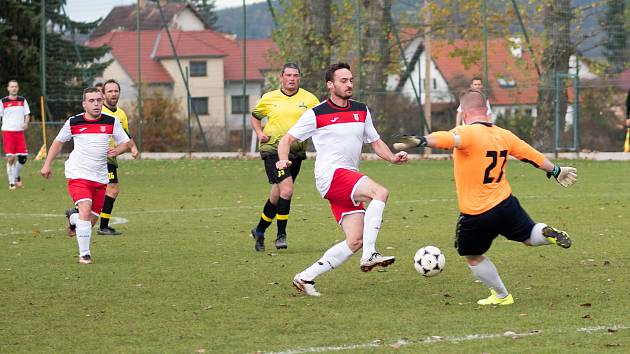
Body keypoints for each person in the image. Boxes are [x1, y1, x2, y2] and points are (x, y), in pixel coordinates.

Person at [394, 90, 577, 305]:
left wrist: (422, 140)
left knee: (472, 255)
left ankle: (501, 295)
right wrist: (556, 170)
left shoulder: (468, 132)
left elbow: (447, 138)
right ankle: (547, 233)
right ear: (486, 111)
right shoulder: (504, 134)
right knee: (528, 235)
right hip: (506, 204)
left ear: (463, 113)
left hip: (477, 213)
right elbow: (531, 155)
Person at [276, 62, 408, 296]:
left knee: (355, 239)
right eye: (343, 81)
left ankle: (305, 277)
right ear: (330, 85)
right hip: (331, 175)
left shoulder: (361, 110)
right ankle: (371, 254)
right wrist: (283, 160)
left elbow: (375, 141)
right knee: (380, 192)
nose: (349, 84)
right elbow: (286, 140)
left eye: (350, 80)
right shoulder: (317, 113)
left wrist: (392, 158)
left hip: (347, 178)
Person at [41, 87, 130, 264]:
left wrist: (117, 150)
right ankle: (85, 254)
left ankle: (73, 218)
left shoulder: (111, 121)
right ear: (84, 104)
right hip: (78, 174)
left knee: (91, 220)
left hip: (100, 176)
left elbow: (125, 143)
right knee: (85, 207)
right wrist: (47, 164)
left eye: (98, 100)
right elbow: (58, 142)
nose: (96, 104)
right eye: (91, 100)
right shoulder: (73, 122)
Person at [249, 63, 319, 251]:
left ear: (299, 78)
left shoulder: (310, 99)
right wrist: (259, 133)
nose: (292, 79)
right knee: (287, 190)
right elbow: (255, 116)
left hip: (295, 151)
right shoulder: (269, 98)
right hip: (271, 149)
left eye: (295, 75)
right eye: (288, 75)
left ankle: (260, 230)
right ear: (281, 77)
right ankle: (281, 235)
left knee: (277, 194)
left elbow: (320, 122)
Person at [97, 79, 139, 235]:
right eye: (110, 91)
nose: (113, 94)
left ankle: (75, 214)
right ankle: (103, 227)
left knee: (103, 191)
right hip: (100, 157)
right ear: (103, 94)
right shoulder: (98, 111)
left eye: (116, 91)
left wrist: (133, 147)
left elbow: (125, 135)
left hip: (111, 158)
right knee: (112, 190)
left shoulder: (121, 114)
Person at [1, 80, 30, 190]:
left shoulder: (22, 100)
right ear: (8, 88)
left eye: (16, 86)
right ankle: (12, 182)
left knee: (23, 158)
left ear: (18, 88)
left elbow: (27, 114)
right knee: (11, 158)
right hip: (7, 132)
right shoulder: (3, 101)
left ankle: (17, 175)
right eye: (12, 86)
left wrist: (26, 123)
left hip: (19, 132)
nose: (14, 88)